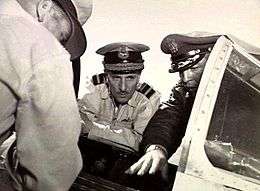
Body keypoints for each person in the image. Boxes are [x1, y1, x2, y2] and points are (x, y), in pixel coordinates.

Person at [0, 0, 89, 190]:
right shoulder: (43, 47)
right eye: (62, 35)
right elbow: (52, 168)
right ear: (44, 7)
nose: (59, 44)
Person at [127, 34, 221, 181]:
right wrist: (156, 148)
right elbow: (168, 116)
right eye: (181, 71)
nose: (186, 78)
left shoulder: (241, 92)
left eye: (194, 68)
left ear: (214, 62)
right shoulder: (184, 90)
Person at [77, 42, 161, 190]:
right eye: (116, 78)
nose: (123, 88)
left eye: (130, 78)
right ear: (107, 76)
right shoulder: (94, 87)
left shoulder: (148, 99)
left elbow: (139, 143)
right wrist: (124, 134)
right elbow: (77, 125)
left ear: (139, 76)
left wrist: (93, 129)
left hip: (123, 172)